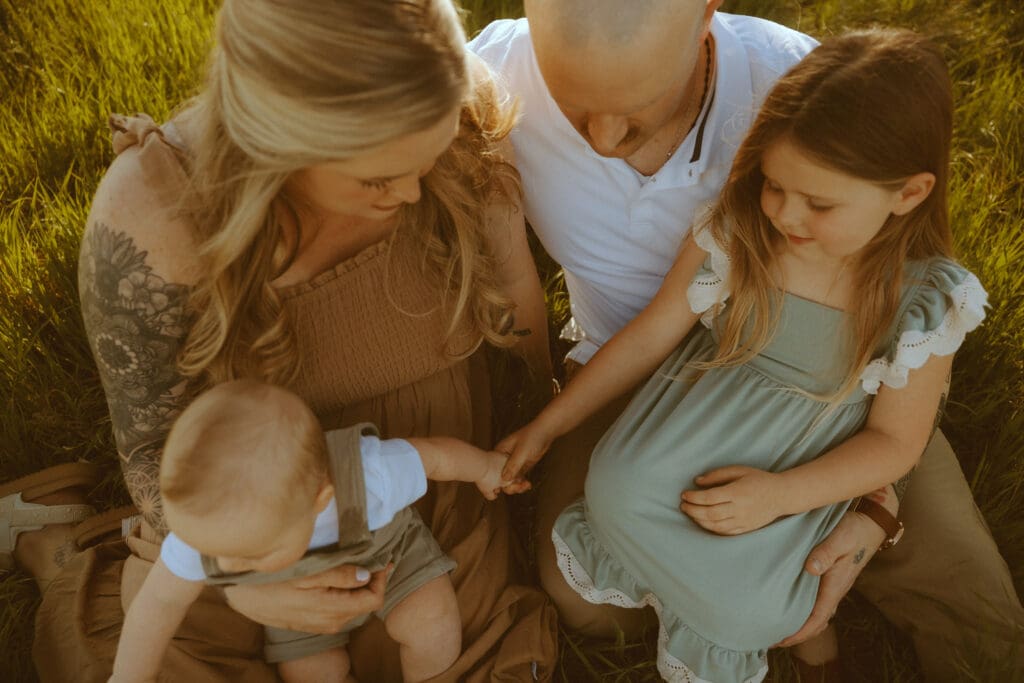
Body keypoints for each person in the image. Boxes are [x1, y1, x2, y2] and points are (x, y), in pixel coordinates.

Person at [2, 1, 557, 681]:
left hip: (414, 482)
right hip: (248, 506)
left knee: (448, 648)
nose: (414, 193)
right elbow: (151, 450)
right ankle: (59, 549)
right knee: (162, 656)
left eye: (427, 156)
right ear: (276, 139)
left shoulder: (458, 114)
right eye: (377, 178)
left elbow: (515, 294)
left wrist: (546, 422)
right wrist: (246, 581)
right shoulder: (154, 212)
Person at [470, 0, 1024, 678]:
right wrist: (546, 419)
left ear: (705, 16)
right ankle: (762, 598)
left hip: (848, 403)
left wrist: (874, 510)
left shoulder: (807, 88)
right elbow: (652, 333)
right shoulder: (489, 75)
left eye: (636, 102)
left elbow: (896, 430)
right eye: (574, 104)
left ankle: (790, 586)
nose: (605, 137)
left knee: (970, 603)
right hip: (685, 376)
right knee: (589, 595)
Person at [112, 380, 522, 683]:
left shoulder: (366, 474)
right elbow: (158, 604)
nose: (226, 567)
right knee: (309, 673)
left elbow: (434, 458)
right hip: (291, 598)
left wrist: (486, 468)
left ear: (320, 500)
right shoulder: (208, 531)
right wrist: (129, 677)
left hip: (390, 556)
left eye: (250, 556)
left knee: (433, 624)